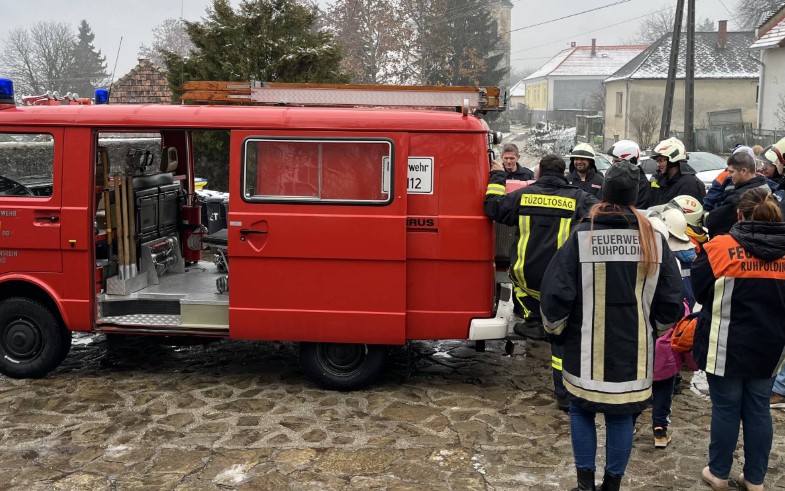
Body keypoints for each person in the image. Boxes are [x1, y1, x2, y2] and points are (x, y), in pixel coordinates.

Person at [540, 161, 684, 491]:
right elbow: (672, 301)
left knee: (581, 410)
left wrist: (557, 332)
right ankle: (612, 486)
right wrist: (655, 332)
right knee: (621, 416)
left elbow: (555, 294)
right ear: (636, 197)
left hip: (585, 351)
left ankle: (585, 484)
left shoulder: (581, 237)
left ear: (603, 193)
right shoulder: (655, 240)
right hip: (634, 355)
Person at [485, 154, 598, 412]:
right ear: (563, 173)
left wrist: (498, 176)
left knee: (520, 287)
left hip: (526, 275)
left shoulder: (523, 196)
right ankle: (566, 390)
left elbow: (492, 206)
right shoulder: (578, 197)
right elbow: (601, 211)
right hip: (560, 278)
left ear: (538, 174)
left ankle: (534, 320)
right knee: (564, 330)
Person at [692, 186, 785, 491]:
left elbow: (701, 293)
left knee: (726, 408)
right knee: (758, 408)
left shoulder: (718, 248)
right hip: (771, 346)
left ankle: (718, 473)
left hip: (724, 345)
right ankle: (755, 479)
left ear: (739, 214)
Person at [705, 151, 772, 238]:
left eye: (732, 172)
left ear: (744, 171)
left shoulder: (739, 198)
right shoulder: (766, 188)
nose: (729, 176)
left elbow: (714, 222)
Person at [649, 137, 706, 206]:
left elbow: (685, 214)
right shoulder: (664, 180)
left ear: (673, 160)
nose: (658, 165)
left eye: (661, 160)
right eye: (657, 161)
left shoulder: (688, 184)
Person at [606, 139, 651, 209]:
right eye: (613, 161)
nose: (613, 165)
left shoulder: (642, 185)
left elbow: (638, 211)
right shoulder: (612, 178)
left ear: (631, 161)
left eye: (616, 162)